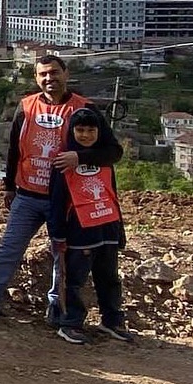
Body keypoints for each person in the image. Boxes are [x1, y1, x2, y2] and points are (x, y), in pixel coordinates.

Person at [0, 55, 121, 321]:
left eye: (54, 72)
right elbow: (14, 148)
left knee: (63, 258)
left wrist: (80, 157)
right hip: (27, 194)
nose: (49, 78)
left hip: (68, 201)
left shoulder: (84, 109)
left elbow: (113, 151)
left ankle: (58, 308)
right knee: (9, 249)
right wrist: (9, 186)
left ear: (66, 74)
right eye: (43, 74)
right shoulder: (27, 107)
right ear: (36, 78)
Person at [47, 108, 131, 344]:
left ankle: (112, 321)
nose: (85, 135)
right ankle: (70, 323)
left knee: (110, 278)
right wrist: (58, 234)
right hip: (78, 232)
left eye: (91, 130)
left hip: (107, 229)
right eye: (80, 130)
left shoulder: (105, 159)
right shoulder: (63, 161)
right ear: (71, 131)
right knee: (74, 280)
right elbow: (56, 201)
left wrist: (119, 230)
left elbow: (111, 193)